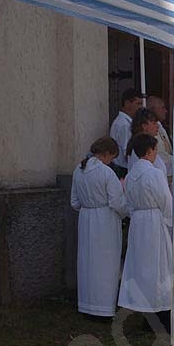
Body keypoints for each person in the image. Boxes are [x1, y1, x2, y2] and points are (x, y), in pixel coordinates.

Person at [118, 134, 174, 333]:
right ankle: (164, 319)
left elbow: (128, 202)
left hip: (138, 224)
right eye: (156, 150)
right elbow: (166, 200)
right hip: (154, 223)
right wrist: (170, 222)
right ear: (149, 151)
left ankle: (149, 316)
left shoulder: (131, 175)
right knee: (161, 270)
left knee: (143, 271)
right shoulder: (154, 173)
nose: (157, 154)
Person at [70, 136, 128, 319]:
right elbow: (117, 202)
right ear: (106, 154)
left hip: (86, 219)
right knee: (106, 263)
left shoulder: (78, 171)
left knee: (88, 263)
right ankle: (103, 307)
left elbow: (74, 202)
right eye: (112, 157)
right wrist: (127, 213)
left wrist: (89, 206)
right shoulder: (106, 173)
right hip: (105, 221)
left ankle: (87, 304)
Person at [109, 88, 144, 177]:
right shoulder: (124, 124)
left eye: (141, 104)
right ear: (127, 103)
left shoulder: (126, 122)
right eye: (138, 104)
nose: (140, 107)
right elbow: (127, 151)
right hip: (123, 170)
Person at [129, 107, 169, 181]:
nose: (157, 126)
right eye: (154, 123)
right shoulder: (141, 147)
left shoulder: (147, 144)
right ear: (144, 126)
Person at [145, 95, 174, 186]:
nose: (165, 111)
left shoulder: (160, 126)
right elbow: (161, 156)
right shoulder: (149, 134)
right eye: (162, 108)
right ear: (152, 109)